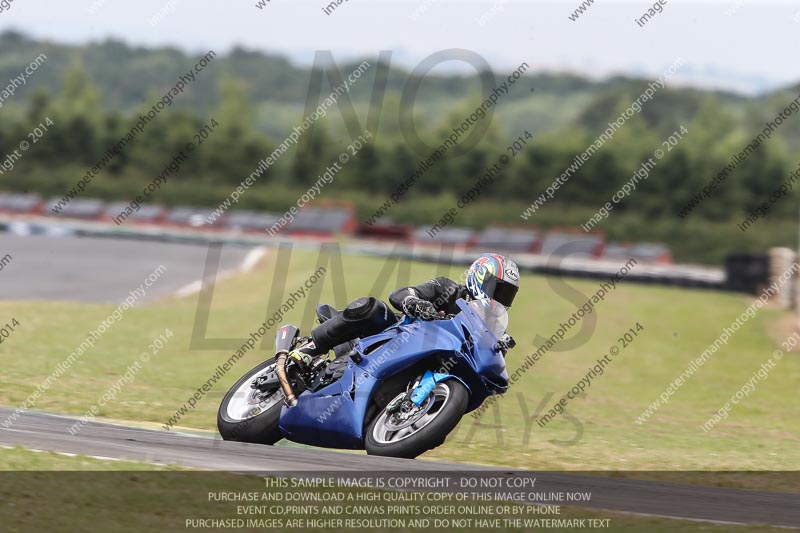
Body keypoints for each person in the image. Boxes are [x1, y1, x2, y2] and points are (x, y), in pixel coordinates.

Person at [287, 253, 519, 364]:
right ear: (480, 277)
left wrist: (499, 348)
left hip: (427, 359)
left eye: (507, 294)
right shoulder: (447, 288)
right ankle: (310, 347)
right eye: (498, 290)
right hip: (392, 336)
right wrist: (417, 304)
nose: (500, 299)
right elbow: (401, 293)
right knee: (373, 308)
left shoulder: (490, 325)